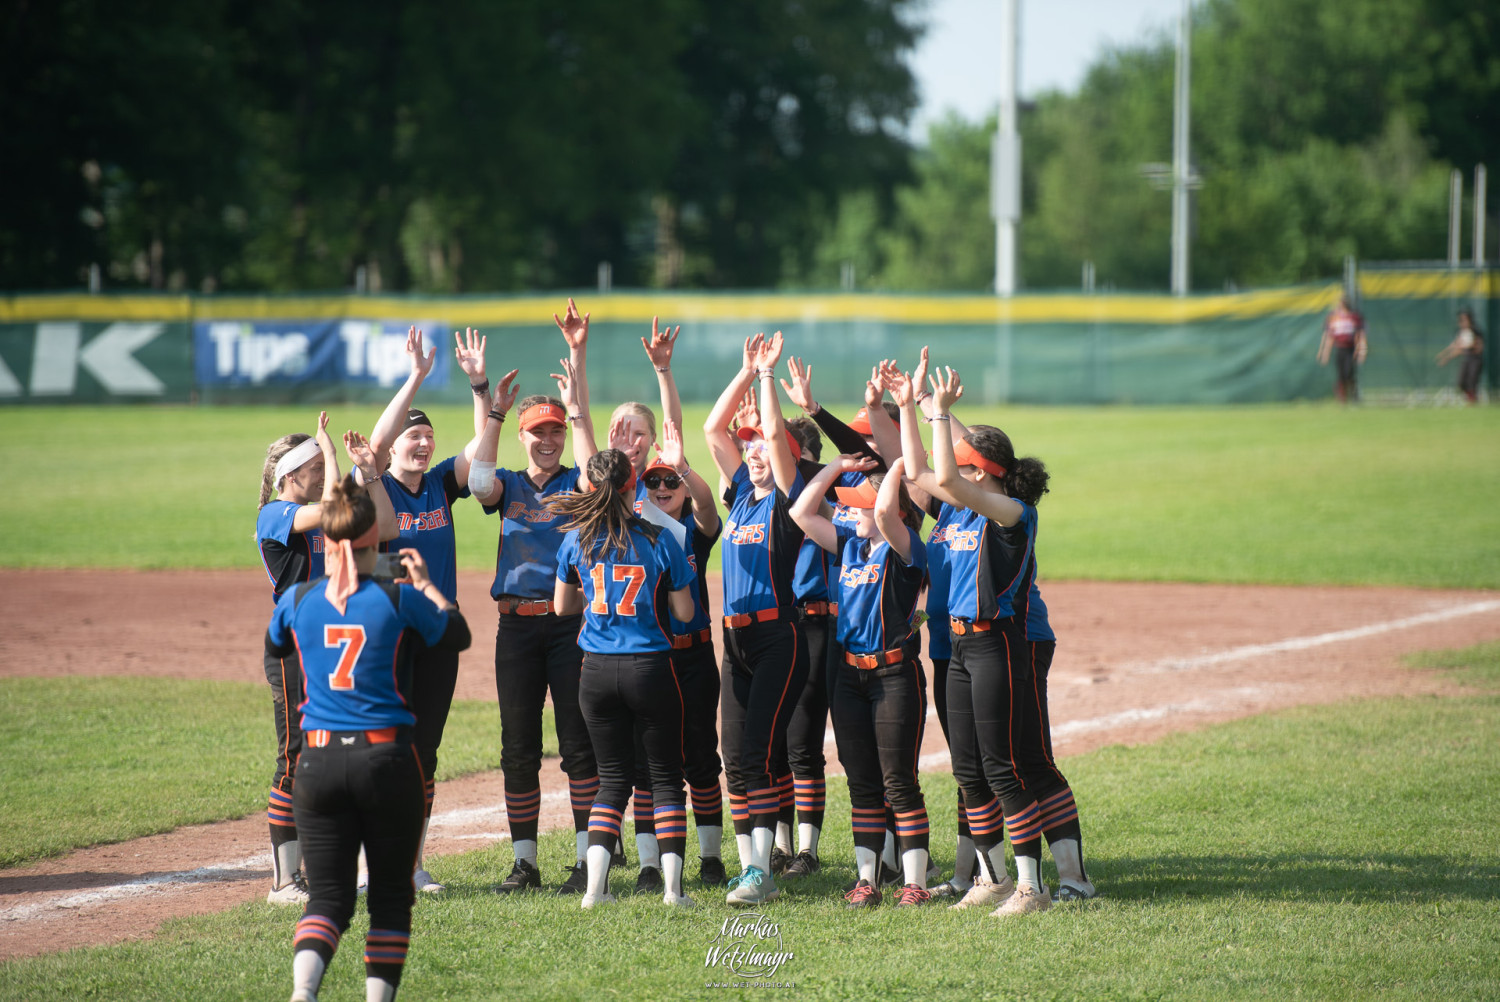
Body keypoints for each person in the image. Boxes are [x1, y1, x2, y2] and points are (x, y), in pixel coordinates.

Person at [895, 364, 1092, 917]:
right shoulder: (960, 507)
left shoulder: (1013, 514)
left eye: (963, 464)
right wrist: (910, 407)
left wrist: (938, 414)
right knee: (969, 771)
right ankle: (994, 878)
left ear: (983, 473)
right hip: (956, 646)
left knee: (1005, 766)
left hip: (995, 644)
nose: (949, 470)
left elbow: (949, 478)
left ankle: (1033, 887)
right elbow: (917, 469)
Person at [269, 474, 471, 1002]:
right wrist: (425, 585)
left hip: (316, 765)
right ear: (372, 537)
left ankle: (303, 993)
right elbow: (458, 635)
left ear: (329, 539)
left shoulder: (296, 599)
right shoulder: (399, 597)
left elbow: (277, 646)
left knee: (328, 899)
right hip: (385, 759)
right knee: (387, 898)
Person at [467, 299, 603, 895]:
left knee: (578, 745)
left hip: (571, 628)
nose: (547, 440)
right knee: (518, 746)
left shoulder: (578, 484)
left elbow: (596, 470)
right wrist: (492, 409)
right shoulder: (509, 485)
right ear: (522, 437)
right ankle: (525, 862)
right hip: (516, 630)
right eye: (538, 432)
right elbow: (476, 479)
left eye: (554, 431)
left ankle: (584, 860)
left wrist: (576, 388)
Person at [363, 326, 498, 893]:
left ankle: (414, 865)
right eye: (411, 436)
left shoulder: (442, 484)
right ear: (394, 446)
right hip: (389, 636)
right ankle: (376, 870)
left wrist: (480, 389)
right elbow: (372, 449)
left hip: (438, 635)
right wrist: (417, 375)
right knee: (382, 749)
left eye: (427, 436)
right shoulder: (373, 486)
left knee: (424, 751)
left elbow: (480, 452)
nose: (421, 444)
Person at [550, 449, 699, 908]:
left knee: (611, 780)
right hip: (650, 668)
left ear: (588, 489)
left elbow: (562, 607)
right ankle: (673, 891)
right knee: (666, 779)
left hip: (595, 671)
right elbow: (685, 613)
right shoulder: (658, 538)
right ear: (633, 487)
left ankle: (595, 890)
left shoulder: (575, 539)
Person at [256, 413, 395, 905]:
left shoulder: (319, 513)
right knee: (294, 758)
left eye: (321, 464)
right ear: (291, 475)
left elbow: (373, 525)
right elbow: (335, 508)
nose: (321, 474)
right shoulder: (275, 514)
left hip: (328, 648)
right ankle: (283, 882)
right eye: (313, 466)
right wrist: (333, 454)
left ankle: (320, 867)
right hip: (294, 651)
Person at [790, 456, 934, 908]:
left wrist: (894, 469)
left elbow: (889, 512)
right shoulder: (850, 544)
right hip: (849, 675)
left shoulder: (905, 547)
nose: (848, 510)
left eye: (859, 504)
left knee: (899, 782)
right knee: (862, 783)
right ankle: (867, 880)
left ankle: (915, 884)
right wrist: (835, 469)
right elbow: (801, 513)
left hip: (894, 674)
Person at [703, 331, 810, 906]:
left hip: (777, 636)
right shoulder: (743, 493)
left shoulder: (786, 498)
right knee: (734, 756)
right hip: (734, 642)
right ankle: (751, 869)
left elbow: (772, 432)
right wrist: (744, 370)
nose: (752, 450)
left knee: (757, 755)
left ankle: (762, 871)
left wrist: (768, 379)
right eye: (749, 448)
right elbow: (711, 430)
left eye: (762, 446)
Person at [628, 418, 729, 890]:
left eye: (672, 480)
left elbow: (708, 503)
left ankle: (710, 858)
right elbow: (601, 480)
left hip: (694, 658)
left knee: (701, 757)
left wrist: (683, 465)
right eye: (654, 480)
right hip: (651, 660)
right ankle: (650, 865)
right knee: (646, 765)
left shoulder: (695, 529)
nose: (663, 486)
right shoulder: (632, 530)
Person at [1317, 295, 1368, 404]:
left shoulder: (1354, 317)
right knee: (1341, 374)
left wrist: (1361, 351)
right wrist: (1325, 353)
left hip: (1351, 349)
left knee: (1349, 372)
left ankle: (1354, 396)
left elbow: (1360, 335)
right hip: (1339, 348)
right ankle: (1342, 399)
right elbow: (1329, 336)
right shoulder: (1334, 317)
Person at [1436, 309, 1485, 405]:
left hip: (1474, 359)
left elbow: (1473, 346)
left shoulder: (1474, 332)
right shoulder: (1461, 332)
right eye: (1461, 320)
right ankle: (1471, 398)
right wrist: (1444, 354)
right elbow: (1456, 345)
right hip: (1466, 359)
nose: (1462, 322)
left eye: (1464, 320)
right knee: (1461, 383)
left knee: (1472, 381)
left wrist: (1447, 357)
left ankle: (1472, 400)